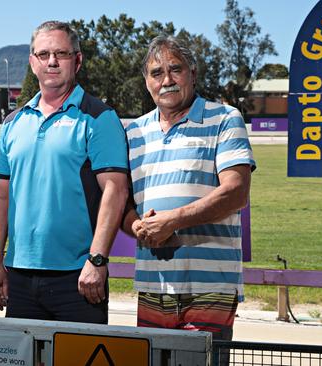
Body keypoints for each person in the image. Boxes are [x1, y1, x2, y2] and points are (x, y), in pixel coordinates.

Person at [0, 21, 129, 324]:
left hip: (78, 276)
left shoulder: (99, 117)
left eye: (61, 54)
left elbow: (115, 190)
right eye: (44, 54)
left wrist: (98, 260)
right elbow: (0, 197)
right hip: (20, 275)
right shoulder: (13, 122)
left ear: (77, 60)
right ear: (32, 62)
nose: (52, 61)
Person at [122, 36, 256, 341]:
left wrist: (173, 220)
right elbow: (122, 204)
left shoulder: (224, 118)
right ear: (146, 82)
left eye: (175, 70)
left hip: (210, 287)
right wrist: (140, 226)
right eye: (157, 73)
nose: (166, 80)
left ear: (192, 75)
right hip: (153, 285)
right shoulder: (134, 133)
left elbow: (236, 192)